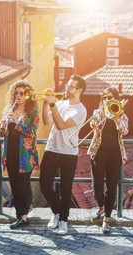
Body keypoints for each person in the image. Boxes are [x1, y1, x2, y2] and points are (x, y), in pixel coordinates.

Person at [39, 74, 87, 235]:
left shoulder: (81, 110)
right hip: (52, 148)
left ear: (79, 90)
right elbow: (47, 122)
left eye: (71, 86)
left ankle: (64, 221)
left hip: (69, 152)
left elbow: (61, 125)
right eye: (67, 85)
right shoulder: (59, 104)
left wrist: (52, 105)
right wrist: (46, 103)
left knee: (66, 188)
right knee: (44, 184)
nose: (67, 88)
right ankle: (57, 212)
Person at [0, 80, 40, 229]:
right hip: (10, 153)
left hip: (25, 155)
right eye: (16, 92)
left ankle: (25, 210)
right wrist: (2, 127)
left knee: (23, 185)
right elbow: (4, 133)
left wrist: (17, 122)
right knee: (14, 186)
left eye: (22, 93)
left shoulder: (33, 111)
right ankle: (21, 216)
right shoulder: (9, 109)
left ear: (28, 95)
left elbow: (32, 134)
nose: (18, 95)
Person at [87, 87, 129, 234]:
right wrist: (96, 120)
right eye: (104, 98)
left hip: (115, 153)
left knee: (111, 187)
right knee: (96, 186)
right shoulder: (98, 112)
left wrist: (117, 118)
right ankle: (102, 206)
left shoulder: (122, 114)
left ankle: (107, 219)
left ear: (115, 98)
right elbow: (93, 124)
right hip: (98, 153)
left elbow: (124, 131)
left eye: (109, 97)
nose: (106, 100)